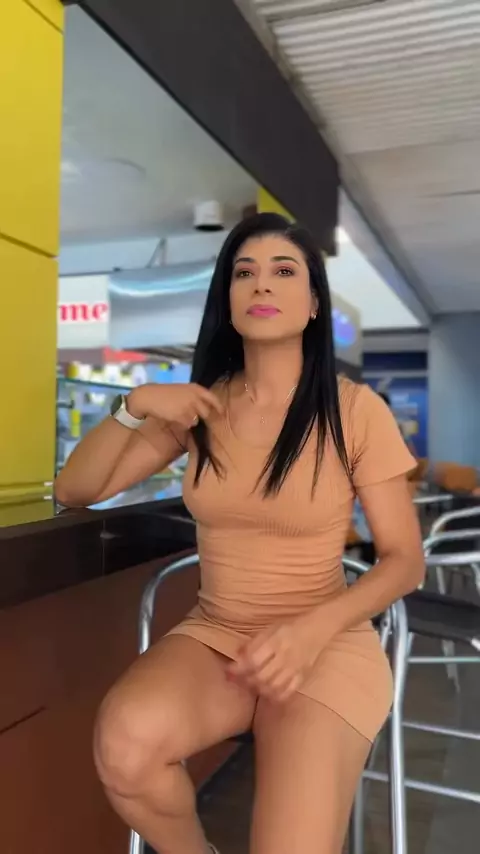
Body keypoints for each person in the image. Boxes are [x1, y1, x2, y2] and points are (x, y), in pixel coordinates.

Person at [55, 213, 424, 854]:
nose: (262, 284)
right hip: (218, 636)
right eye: (244, 273)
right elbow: (75, 490)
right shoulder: (200, 407)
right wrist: (135, 405)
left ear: (313, 303)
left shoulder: (355, 411)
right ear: (227, 299)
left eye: (284, 271)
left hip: (324, 643)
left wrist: (308, 633)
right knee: (125, 748)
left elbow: (404, 562)